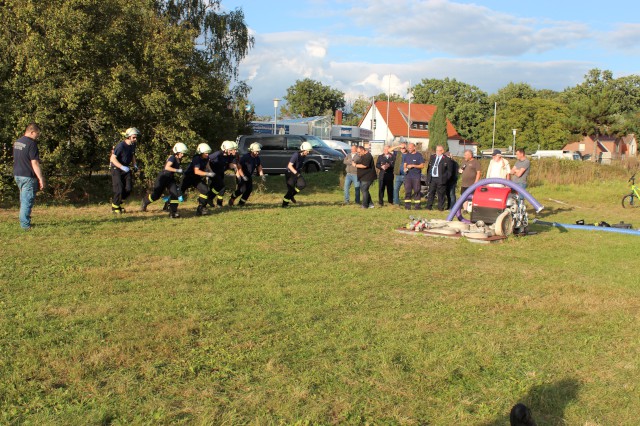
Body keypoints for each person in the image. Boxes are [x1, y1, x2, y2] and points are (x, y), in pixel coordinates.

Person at [141, 143, 188, 218]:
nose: (183, 155)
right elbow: (167, 167)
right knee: (156, 196)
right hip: (163, 178)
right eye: (181, 153)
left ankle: (173, 212)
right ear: (177, 152)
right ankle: (145, 201)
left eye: (183, 153)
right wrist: (177, 170)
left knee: (175, 194)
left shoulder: (178, 159)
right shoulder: (172, 158)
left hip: (170, 179)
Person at [13, 123, 45, 231]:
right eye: (37, 133)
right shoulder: (32, 144)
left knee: (23, 199)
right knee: (27, 201)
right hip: (28, 176)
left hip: (17, 174)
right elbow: (34, 163)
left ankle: (24, 221)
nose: (38, 136)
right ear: (32, 132)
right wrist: (40, 178)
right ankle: (25, 226)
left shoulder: (17, 142)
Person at [110, 127, 140, 214]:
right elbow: (112, 159)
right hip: (117, 169)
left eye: (136, 137)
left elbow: (132, 155)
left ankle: (119, 203)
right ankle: (115, 208)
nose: (135, 139)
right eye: (134, 137)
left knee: (128, 189)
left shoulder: (133, 145)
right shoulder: (121, 146)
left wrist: (135, 165)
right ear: (128, 137)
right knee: (119, 189)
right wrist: (121, 167)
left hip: (126, 169)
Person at [180, 143, 215, 216]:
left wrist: (211, 171)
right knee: (179, 192)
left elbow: (207, 165)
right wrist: (207, 174)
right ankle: (169, 204)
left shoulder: (206, 157)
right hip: (188, 177)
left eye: (208, 153)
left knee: (205, 190)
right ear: (201, 152)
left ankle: (201, 208)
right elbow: (196, 171)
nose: (207, 154)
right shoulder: (196, 158)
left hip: (196, 178)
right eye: (205, 153)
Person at [229, 142, 266, 206]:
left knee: (249, 190)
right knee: (241, 190)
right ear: (252, 151)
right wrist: (243, 176)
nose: (257, 153)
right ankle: (232, 198)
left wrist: (262, 175)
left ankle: (241, 203)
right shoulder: (245, 157)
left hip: (249, 176)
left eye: (258, 151)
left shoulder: (257, 158)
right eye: (256, 151)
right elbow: (239, 166)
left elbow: (259, 166)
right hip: (242, 175)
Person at [207, 140, 238, 207]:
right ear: (225, 149)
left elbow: (230, 165)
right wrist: (209, 170)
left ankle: (211, 200)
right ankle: (210, 199)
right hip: (213, 173)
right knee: (221, 186)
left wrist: (236, 166)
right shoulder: (217, 154)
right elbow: (206, 159)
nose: (231, 151)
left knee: (217, 188)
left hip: (220, 173)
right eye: (230, 150)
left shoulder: (228, 156)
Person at [282, 142, 312, 207]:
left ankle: (291, 196)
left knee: (302, 185)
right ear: (303, 150)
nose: (308, 153)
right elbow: (290, 166)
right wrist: (297, 174)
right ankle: (284, 204)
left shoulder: (303, 156)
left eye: (309, 151)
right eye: (308, 151)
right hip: (290, 173)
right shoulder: (296, 155)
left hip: (296, 173)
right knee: (290, 190)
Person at [425, 145, 452, 211]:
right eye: (436, 150)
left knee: (441, 194)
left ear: (442, 151)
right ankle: (428, 207)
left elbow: (449, 171)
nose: (437, 152)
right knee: (431, 193)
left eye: (439, 150)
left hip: (441, 179)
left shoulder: (447, 159)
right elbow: (429, 168)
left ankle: (440, 208)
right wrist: (428, 177)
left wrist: (445, 179)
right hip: (433, 178)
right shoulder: (432, 157)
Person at [402, 142, 425, 210]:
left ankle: (417, 207)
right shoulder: (407, 155)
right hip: (408, 176)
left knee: (417, 191)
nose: (409, 149)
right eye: (408, 148)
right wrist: (405, 168)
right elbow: (405, 164)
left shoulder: (419, 155)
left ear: (414, 148)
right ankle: (407, 207)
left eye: (410, 148)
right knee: (408, 191)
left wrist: (413, 165)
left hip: (416, 177)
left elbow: (422, 166)